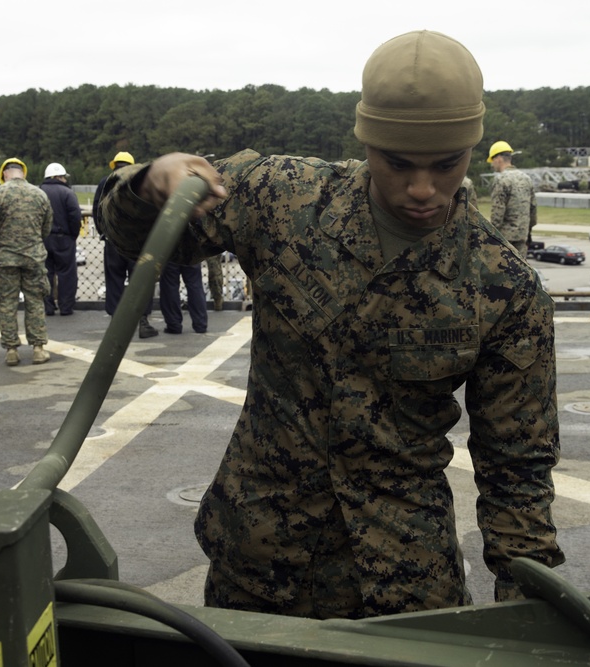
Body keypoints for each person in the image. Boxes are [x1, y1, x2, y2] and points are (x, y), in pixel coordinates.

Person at [99, 30, 563, 620]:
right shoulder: (282, 199)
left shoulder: (505, 288)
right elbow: (138, 235)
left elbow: (517, 467)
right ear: (366, 140)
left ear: (471, 150)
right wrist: (148, 184)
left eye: (447, 164)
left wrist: (525, 613)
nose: (422, 189)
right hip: (259, 558)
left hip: (401, 581)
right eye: (397, 163)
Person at [0, 157, 52, 366]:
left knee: (7, 304)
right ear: (23, 173)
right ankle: (38, 349)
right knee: (35, 301)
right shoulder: (40, 194)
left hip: (5, 259)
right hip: (33, 257)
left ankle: (11, 350)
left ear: (4, 174)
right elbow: (46, 228)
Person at [93, 151, 158, 338]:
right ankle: (143, 321)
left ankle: (115, 323)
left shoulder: (104, 182)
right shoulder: (138, 182)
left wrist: (104, 233)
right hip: (137, 243)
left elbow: (97, 209)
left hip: (113, 241)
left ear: (115, 165)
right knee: (141, 282)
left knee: (114, 280)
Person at [41, 162, 82, 316]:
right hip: (64, 237)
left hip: (44, 238)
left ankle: (48, 307)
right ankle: (66, 307)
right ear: (58, 177)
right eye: (64, 177)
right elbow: (75, 216)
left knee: (46, 273)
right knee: (67, 274)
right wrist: (73, 235)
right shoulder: (67, 193)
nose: (65, 180)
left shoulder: (39, 192)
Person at [487, 141, 536, 257]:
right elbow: (533, 212)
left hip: (504, 241)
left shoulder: (500, 180)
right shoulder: (527, 179)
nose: (492, 165)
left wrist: (489, 239)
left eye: (492, 161)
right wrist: (527, 233)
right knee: (520, 273)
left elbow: (497, 215)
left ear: (498, 159)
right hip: (522, 239)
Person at [159, 262, 208, 333]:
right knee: (195, 285)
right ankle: (200, 324)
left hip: (171, 254)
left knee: (169, 286)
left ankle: (174, 324)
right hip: (192, 253)